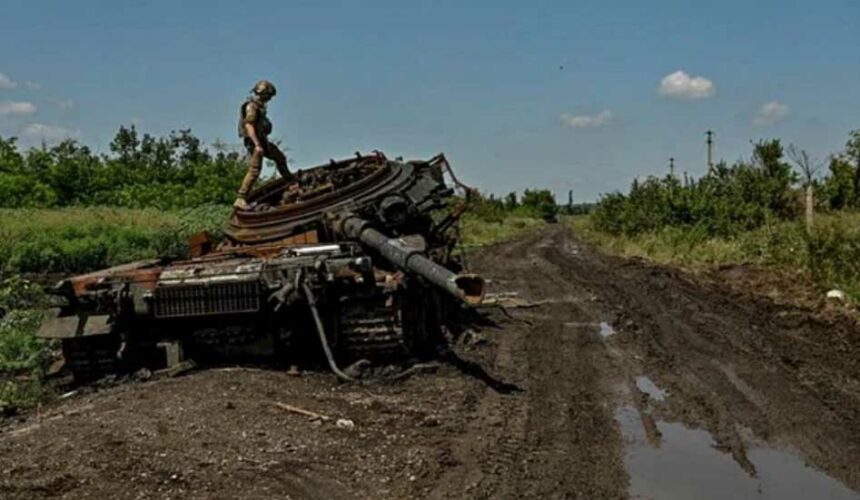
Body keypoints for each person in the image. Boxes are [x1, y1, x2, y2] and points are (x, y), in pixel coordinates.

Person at [234, 79, 295, 209]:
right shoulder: (251, 107)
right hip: (256, 142)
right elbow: (248, 125)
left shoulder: (259, 107)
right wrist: (257, 145)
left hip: (263, 140)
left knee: (280, 157)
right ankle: (241, 198)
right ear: (264, 93)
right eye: (269, 96)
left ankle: (291, 182)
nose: (269, 99)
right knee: (254, 170)